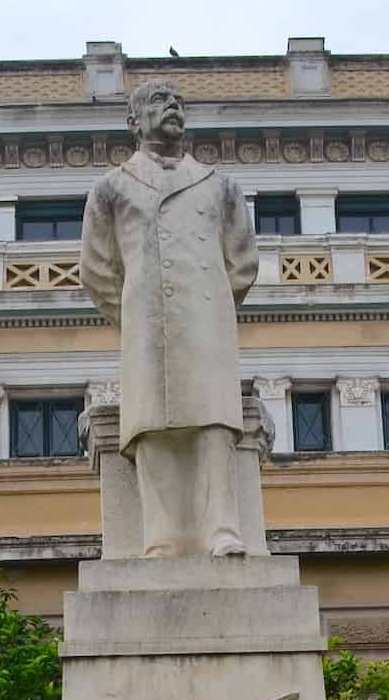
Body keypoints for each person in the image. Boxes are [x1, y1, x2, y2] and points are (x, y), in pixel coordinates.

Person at [79, 79, 259, 558]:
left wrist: (211, 302)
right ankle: (161, 536)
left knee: (214, 421)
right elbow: (96, 268)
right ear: (135, 121)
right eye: (160, 101)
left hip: (206, 318)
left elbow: (241, 261)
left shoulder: (220, 185)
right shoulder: (112, 188)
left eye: (178, 101)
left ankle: (221, 529)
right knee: (152, 426)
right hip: (146, 319)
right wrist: (138, 311)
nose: (173, 106)